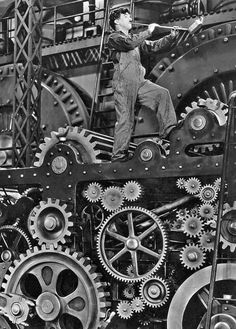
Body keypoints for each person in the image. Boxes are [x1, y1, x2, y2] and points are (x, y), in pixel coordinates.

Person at [108, 7, 179, 162]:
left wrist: (170, 37)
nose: (129, 18)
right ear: (116, 21)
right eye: (125, 16)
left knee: (162, 94)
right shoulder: (114, 38)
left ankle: (171, 132)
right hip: (123, 84)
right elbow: (128, 44)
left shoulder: (135, 40)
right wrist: (148, 31)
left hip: (139, 82)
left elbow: (153, 46)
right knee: (125, 119)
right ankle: (118, 156)